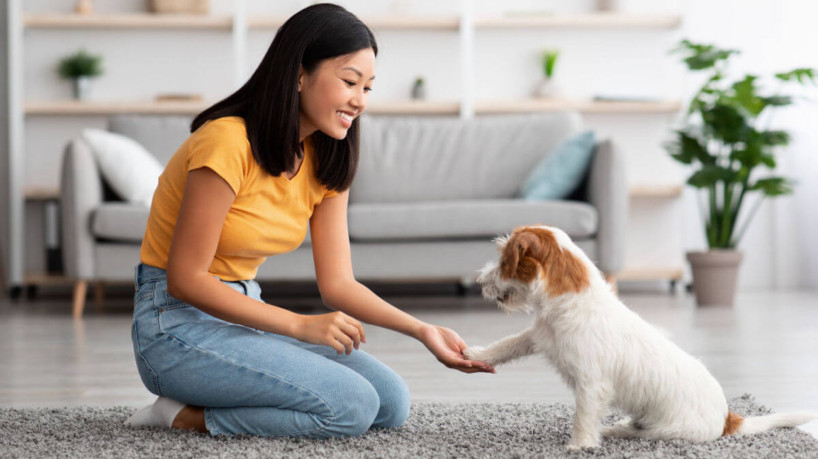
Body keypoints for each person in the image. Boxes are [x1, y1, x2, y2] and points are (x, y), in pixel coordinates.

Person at [125, 3, 493, 438]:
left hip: (245, 314)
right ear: (300, 74)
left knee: (390, 401)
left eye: (369, 87)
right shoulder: (226, 141)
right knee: (351, 406)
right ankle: (179, 414)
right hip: (174, 325)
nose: (359, 100)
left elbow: (338, 285)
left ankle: (222, 392)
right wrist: (301, 325)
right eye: (349, 81)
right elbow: (185, 280)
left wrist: (422, 330)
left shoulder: (328, 155)